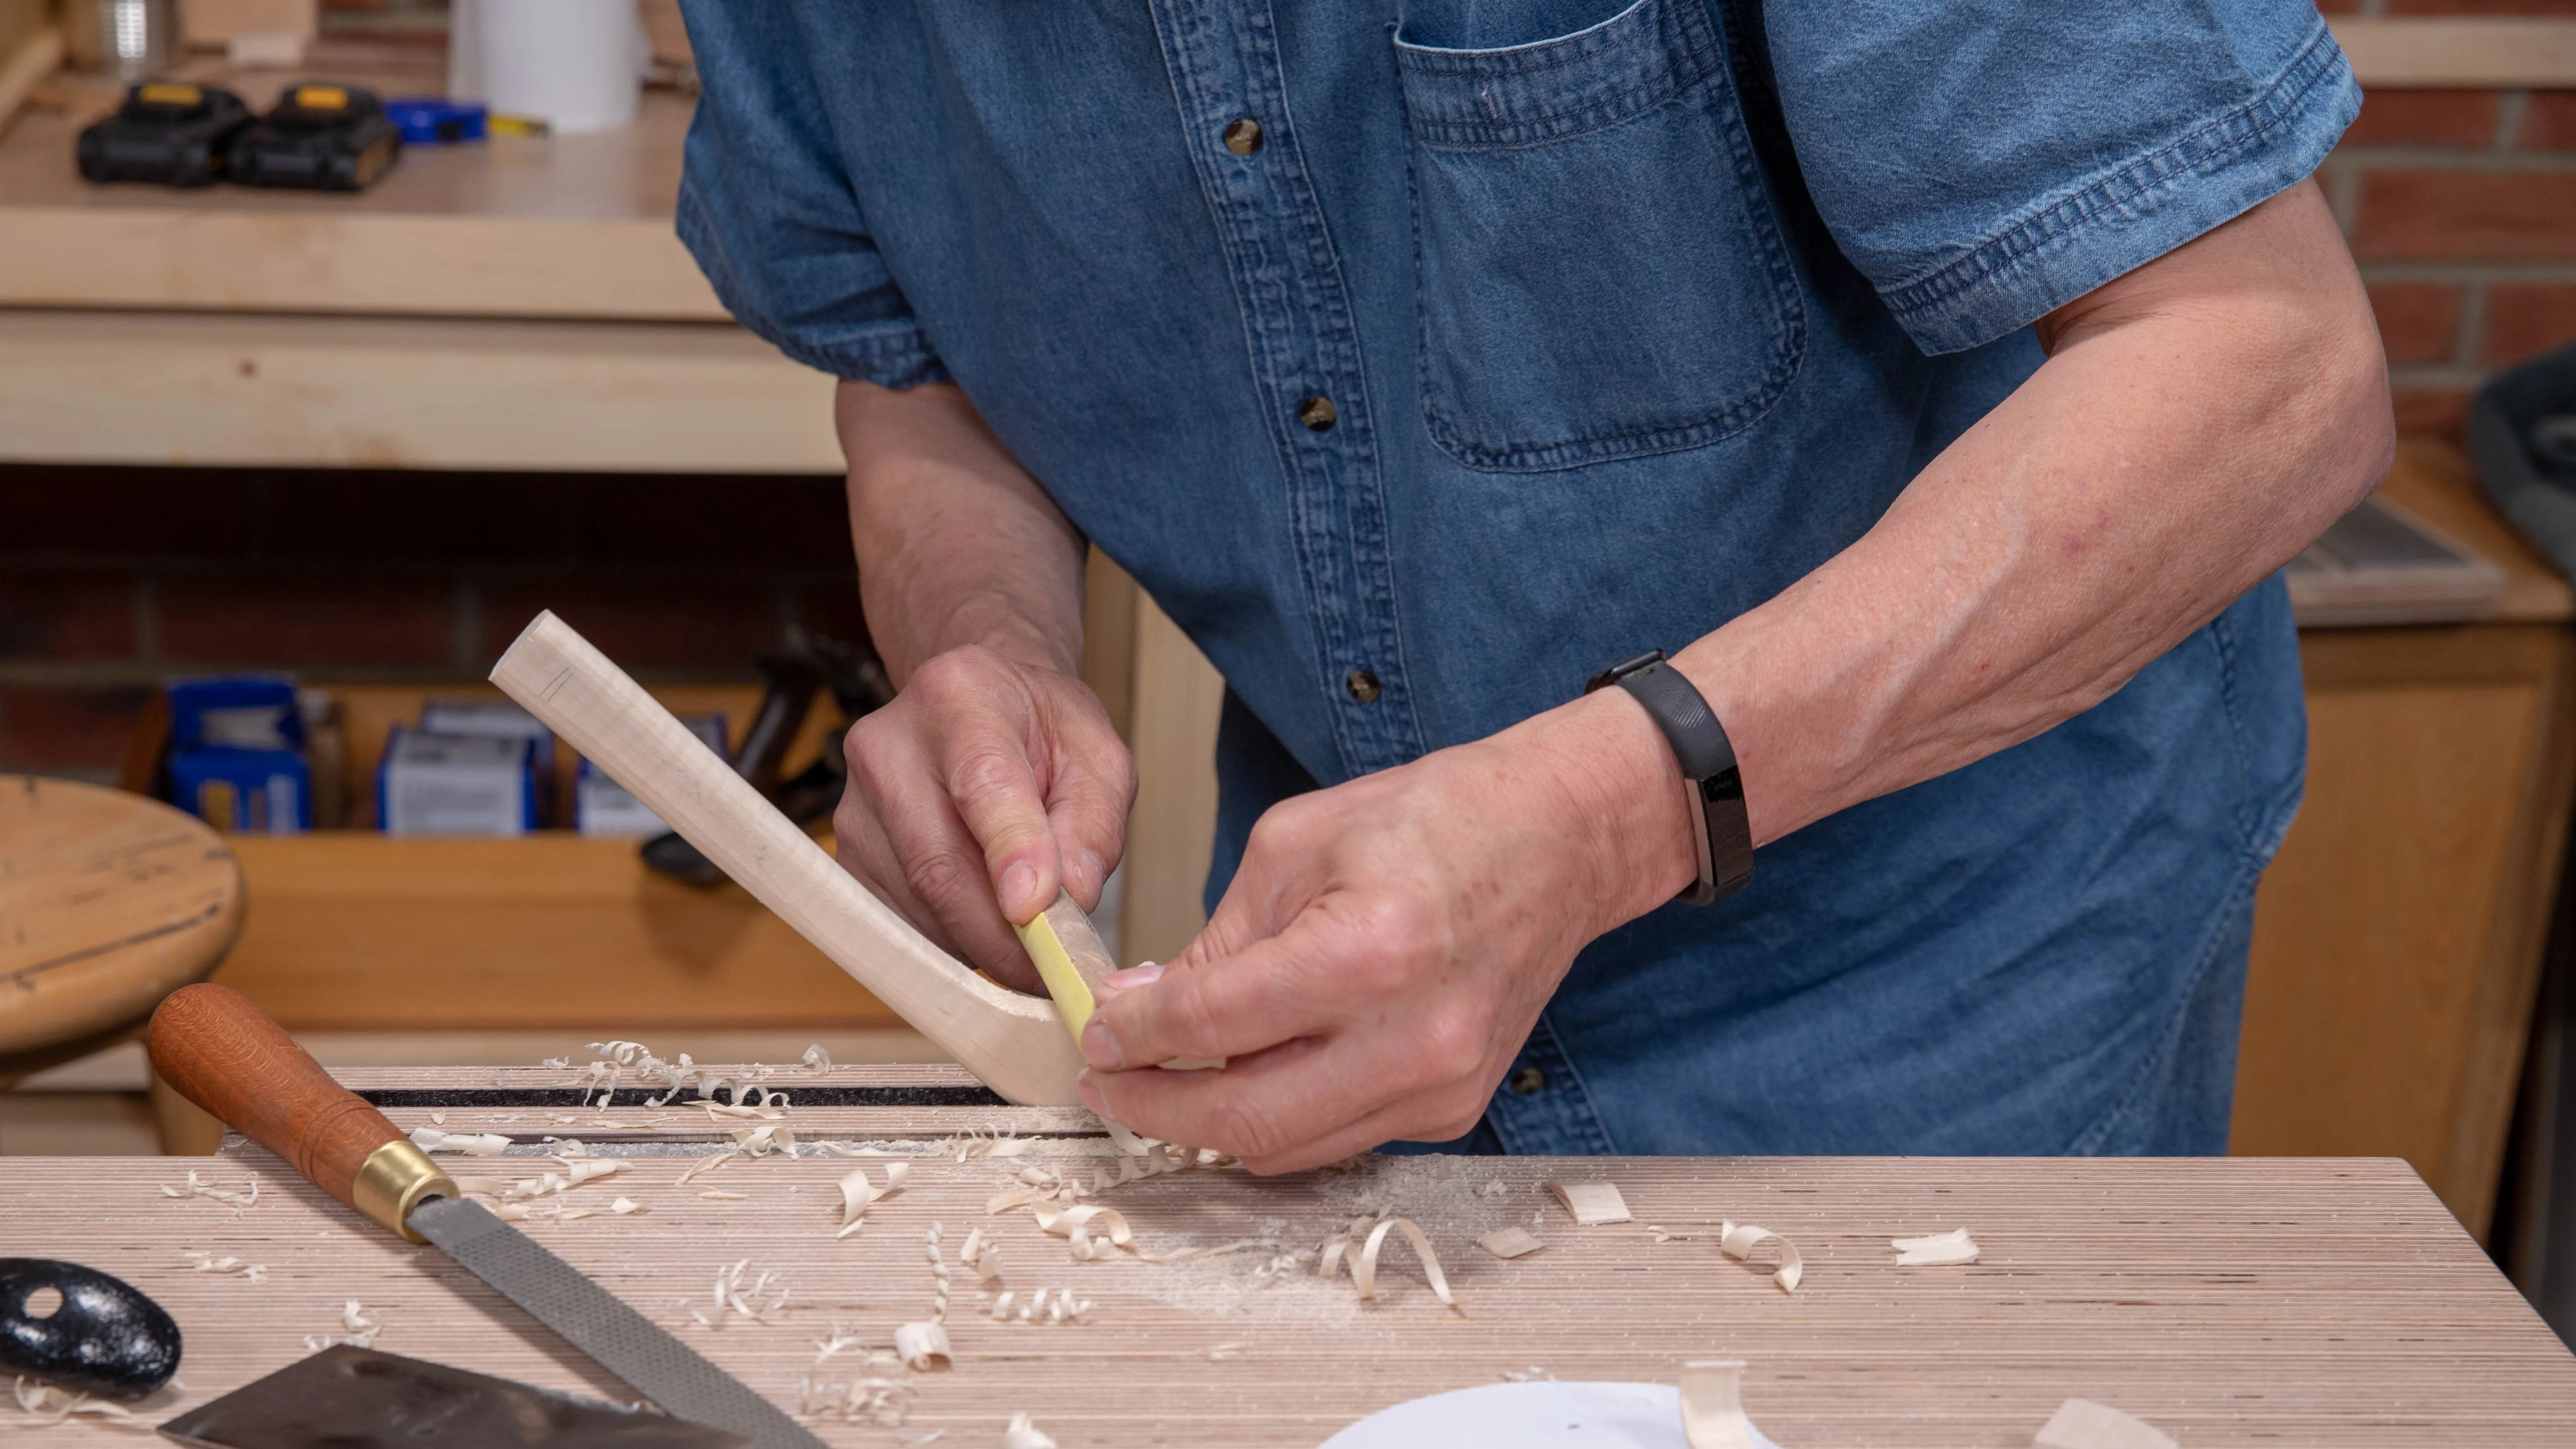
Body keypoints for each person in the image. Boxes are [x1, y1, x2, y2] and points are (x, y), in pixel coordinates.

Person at [676, 0, 2392, 1172]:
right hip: (1347, 959)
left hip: (1939, 982)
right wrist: (991, 643)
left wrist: (1602, 814)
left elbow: (2268, 372)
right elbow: (921, 369)